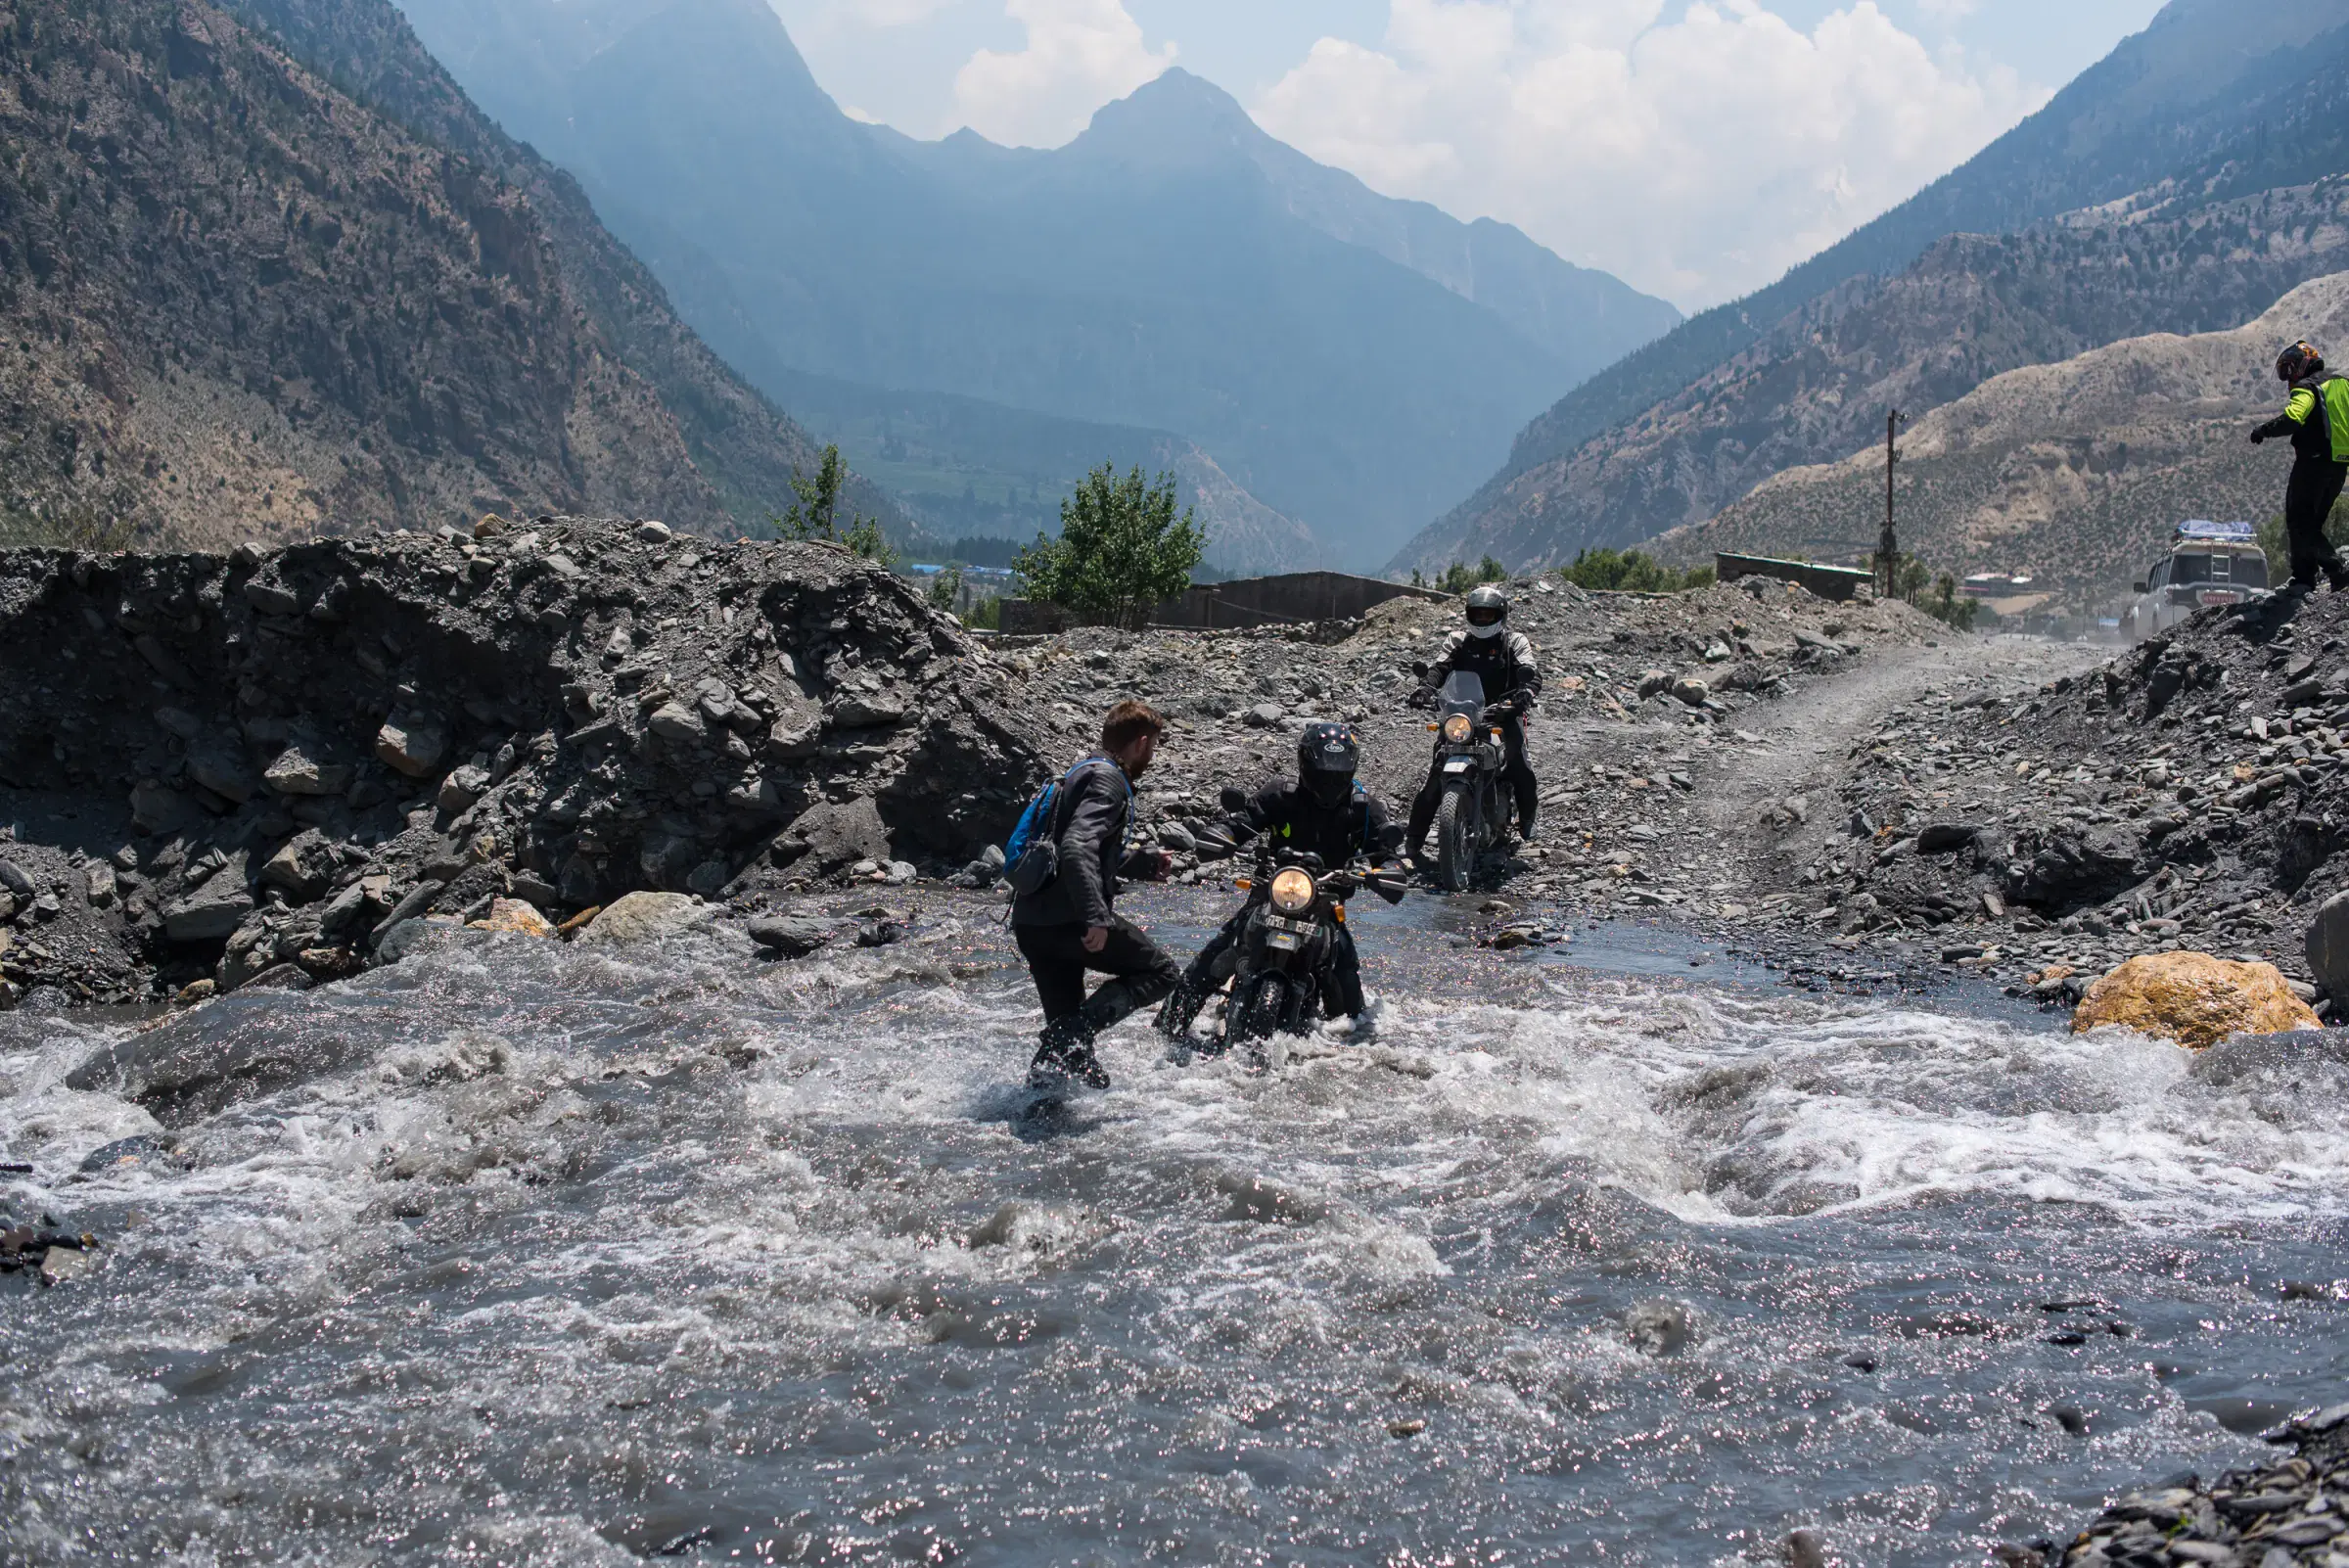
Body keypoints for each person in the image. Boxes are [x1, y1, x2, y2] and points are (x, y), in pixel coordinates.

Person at [1155, 722, 1405, 1041]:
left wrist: (1388, 870)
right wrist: (1224, 835)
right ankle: (1166, 1027)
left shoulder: (1363, 808)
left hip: (1327, 904)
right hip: (1268, 894)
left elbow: (1385, 850)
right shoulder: (1280, 795)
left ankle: (1359, 1047)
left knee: (1344, 970)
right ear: (1305, 764)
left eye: (1337, 773)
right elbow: (1244, 820)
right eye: (1322, 771)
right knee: (1216, 954)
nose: (1329, 780)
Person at [1011, 699, 1179, 1090]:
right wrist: (1096, 917)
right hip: (1069, 922)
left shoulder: (1079, 772)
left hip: (1033, 925)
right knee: (1161, 972)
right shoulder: (1109, 781)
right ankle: (1066, 1042)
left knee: (1070, 1051)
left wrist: (1143, 862)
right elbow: (1075, 846)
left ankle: (1033, 1109)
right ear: (1140, 743)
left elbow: (1082, 847)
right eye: (1152, 747)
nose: (1151, 756)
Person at [1405, 583, 1542, 858]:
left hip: (1502, 714)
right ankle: (1412, 842)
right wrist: (1425, 689)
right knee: (1435, 775)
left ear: (1500, 616)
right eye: (1477, 614)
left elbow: (1530, 671)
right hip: (1462, 715)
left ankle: (1527, 821)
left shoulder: (1514, 642)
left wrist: (1525, 692)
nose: (1481, 620)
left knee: (1519, 766)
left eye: (1487, 615)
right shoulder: (1458, 641)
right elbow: (1439, 668)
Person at [2251, 339, 2349, 592]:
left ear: (2302, 365)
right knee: (2312, 523)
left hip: (2313, 464)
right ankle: (2309, 576)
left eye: (2289, 370)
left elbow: (2294, 418)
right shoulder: (2344, 384)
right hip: (2339, 467)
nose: (2287, 379)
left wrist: (2264, 430)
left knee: (2299, 522)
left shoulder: (2307, 388)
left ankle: (2332, 567)